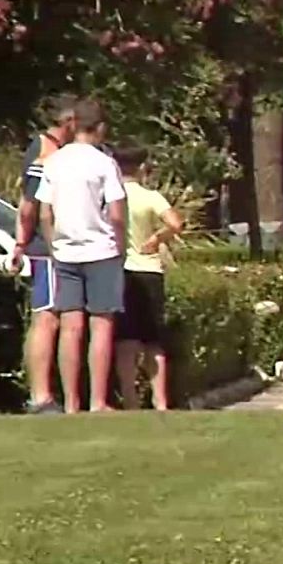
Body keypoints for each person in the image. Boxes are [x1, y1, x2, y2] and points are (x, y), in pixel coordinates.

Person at [35, 99, 127, 413]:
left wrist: (53, 244)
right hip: (101, 249)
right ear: (100, 128)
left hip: (65, 251)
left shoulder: (55, 162)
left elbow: (44, 213)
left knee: (70, 326)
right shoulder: (103, 163)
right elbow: (116, 212)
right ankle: (97, 401)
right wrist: (121, 246)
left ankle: (72, 402)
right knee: (101, 325)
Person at [8, 94, 79, 414]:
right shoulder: (43, 152)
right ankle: (40, 396)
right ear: (67, 122)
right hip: (47, 249)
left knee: (61, 318)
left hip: (64, 247)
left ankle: (57, 394)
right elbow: (28, 205)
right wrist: (21, 243)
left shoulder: (61, 153)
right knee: (46, 318)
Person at [112, 145, 183, 410]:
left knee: (126, 340)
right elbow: (176, 223)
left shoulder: (110, 197)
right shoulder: (150, 196)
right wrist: (157, 238)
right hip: (150, 269)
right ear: (142, 168)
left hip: (121, 269)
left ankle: (130, 399)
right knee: (153, 340)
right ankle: (160, 400)